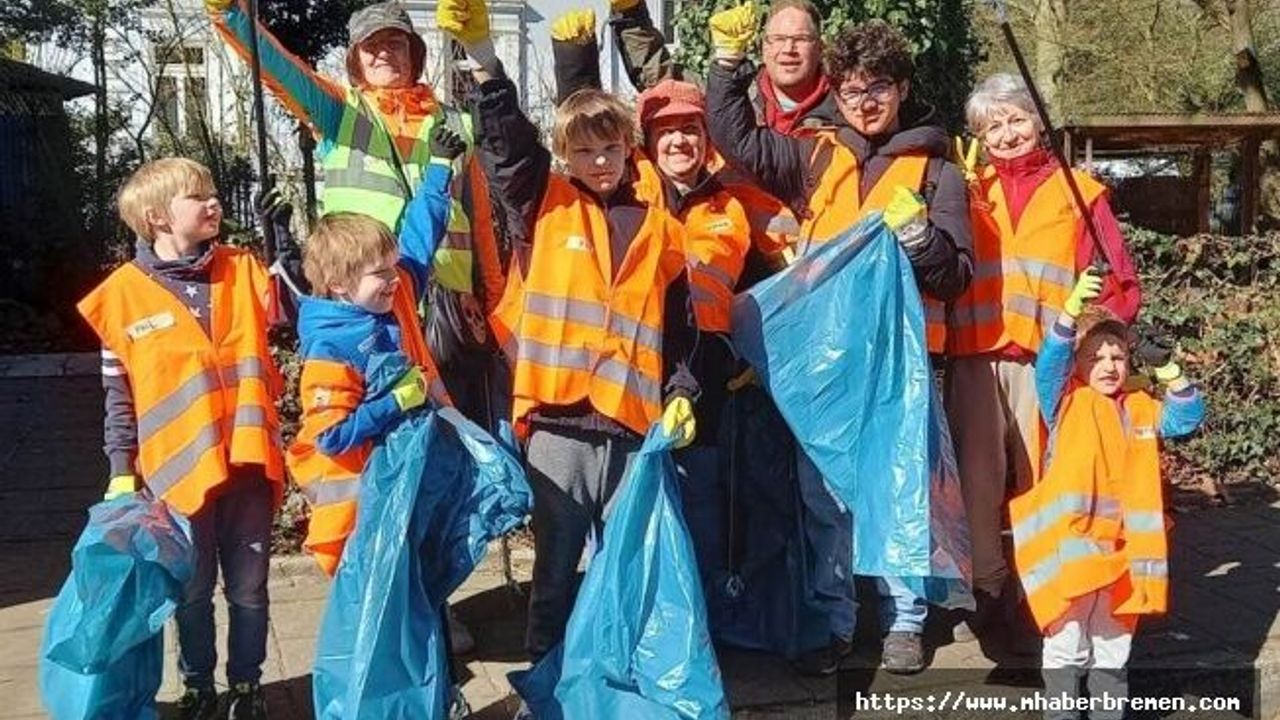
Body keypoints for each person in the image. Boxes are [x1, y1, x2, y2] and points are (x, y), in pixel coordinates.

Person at [206, 0, 492, 650]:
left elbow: (468, 215)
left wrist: (489, 295)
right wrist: (232, 17)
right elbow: (285, 74)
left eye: (397, 43)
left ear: (416, 53)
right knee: (372, 464)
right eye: (372, 46)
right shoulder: (341, 111)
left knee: (438, 469)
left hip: (434, 303)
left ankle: (430, 602)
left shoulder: (450, 123)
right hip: (363, 313)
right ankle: (378, 603)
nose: (385, 54)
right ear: (355, 58)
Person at [437, 0, 699, 685]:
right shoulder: (542, 202)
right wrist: (488, 68)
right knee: (553, 568)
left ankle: (616, 680)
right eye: (583, 149)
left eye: (610, 147)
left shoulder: (658, 223)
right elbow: (507, 145)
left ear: (628, 148)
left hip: (630, 425)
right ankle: (544, 682)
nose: (599, 159)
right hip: (557, 424)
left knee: (625, 563)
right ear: (566, 155)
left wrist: (683, 391)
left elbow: (681, 323)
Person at [706, 6, 974, 675]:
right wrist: (727, 65)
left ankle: (905, 621)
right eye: (852, 90)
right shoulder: (813, 155)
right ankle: (834, 621)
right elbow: (735, 136)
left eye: (878, 88)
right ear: (838, 91)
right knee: (822, 497)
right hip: (826, 365)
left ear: (902, 89)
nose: (864, 102)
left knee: (899, 491)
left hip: (900, 367)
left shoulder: (938, 170)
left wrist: (920, 237)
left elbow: (956, 276)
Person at [78, 158, 285, 719]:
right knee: (191, 593)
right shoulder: (120, 297)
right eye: (199, 196)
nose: (214, 202)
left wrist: (281, 244)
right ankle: (199, 687)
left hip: (246, 463)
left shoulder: (244, 268)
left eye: (213, 192)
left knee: (248, 588)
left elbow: (292, 313)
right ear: (156, 218)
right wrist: (122, 471)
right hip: (177, 473)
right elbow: (118, 397)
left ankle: (246, 686)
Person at [947, 73, 1142, 650]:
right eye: (992, 125)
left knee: (1048, 483)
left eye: (1016, 119)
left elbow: (1121, 285)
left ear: (1038, 122)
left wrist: (1093, 340)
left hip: (1048, 364)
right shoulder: (965, 189)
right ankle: (987, 592)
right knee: (976, 485)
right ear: (978, 135)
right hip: (976, 357)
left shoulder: (1079, 191)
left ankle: (1046, 596)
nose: (1006, 134)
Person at [1010, 277, 1203, 719]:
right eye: (1095, 357)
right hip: (1073, 557)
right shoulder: (1062, 400)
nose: (1109, 365)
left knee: (1112, 649)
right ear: (1077, 365)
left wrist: (1169, 369)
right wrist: (1070, 312)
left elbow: (1187, 416)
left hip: (1124, 558)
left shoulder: (1140, 406)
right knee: (1066, 645)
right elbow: (1050, 362)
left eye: (1118, 355)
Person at [285, 125, 464, 577]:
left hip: (408, 469)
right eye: (378, 274)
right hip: (367, 497)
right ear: (341, 285)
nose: (394, 279)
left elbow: (421, 234)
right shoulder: (330, 344)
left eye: (391, 268)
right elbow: (331, 436)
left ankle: (433, 630)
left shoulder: (395, 292)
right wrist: (394, 402)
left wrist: (440, 168)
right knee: (384, 584)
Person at [611, 0, 838, 135]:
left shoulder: (847, 106)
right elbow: (662, 76)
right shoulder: (733, 94)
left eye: (801, 39)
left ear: (820, 47)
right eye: (778, 39)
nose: (789, 48)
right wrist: (632, 14)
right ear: (762, 47)